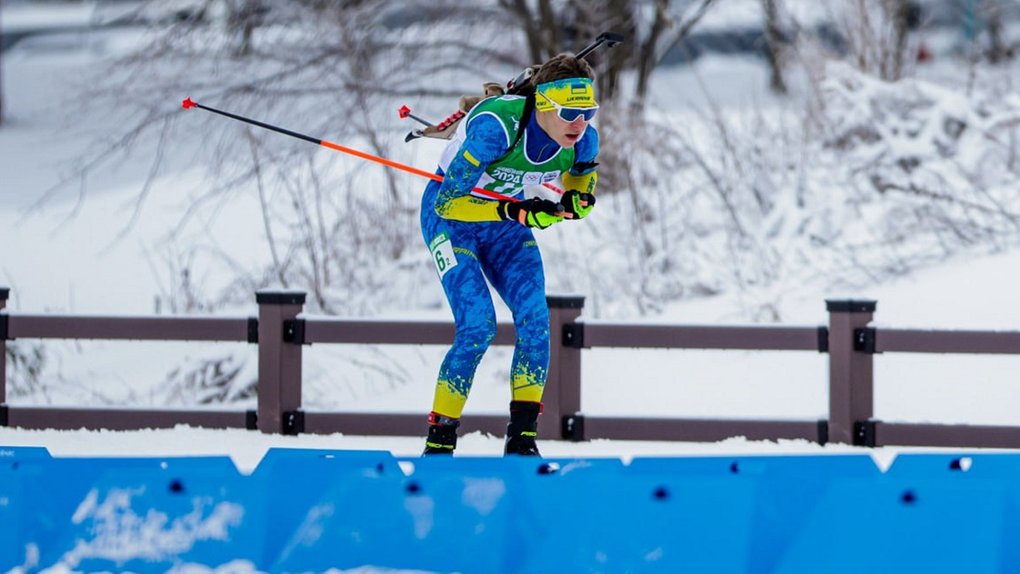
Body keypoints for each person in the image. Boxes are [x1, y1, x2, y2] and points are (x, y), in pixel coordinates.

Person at [419, 54, 600, 456]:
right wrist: (516, 210)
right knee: (478, 325)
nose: (580, 123)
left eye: (588, 111)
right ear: (542, 104)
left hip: (504, 225)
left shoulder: (584, 139)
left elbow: (583, 189)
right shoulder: (495, 127)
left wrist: (573, 202)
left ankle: (522, 441)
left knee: (536, 320)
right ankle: (439, 444)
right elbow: (449, 203)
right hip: (452, 221)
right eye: (570, 112)